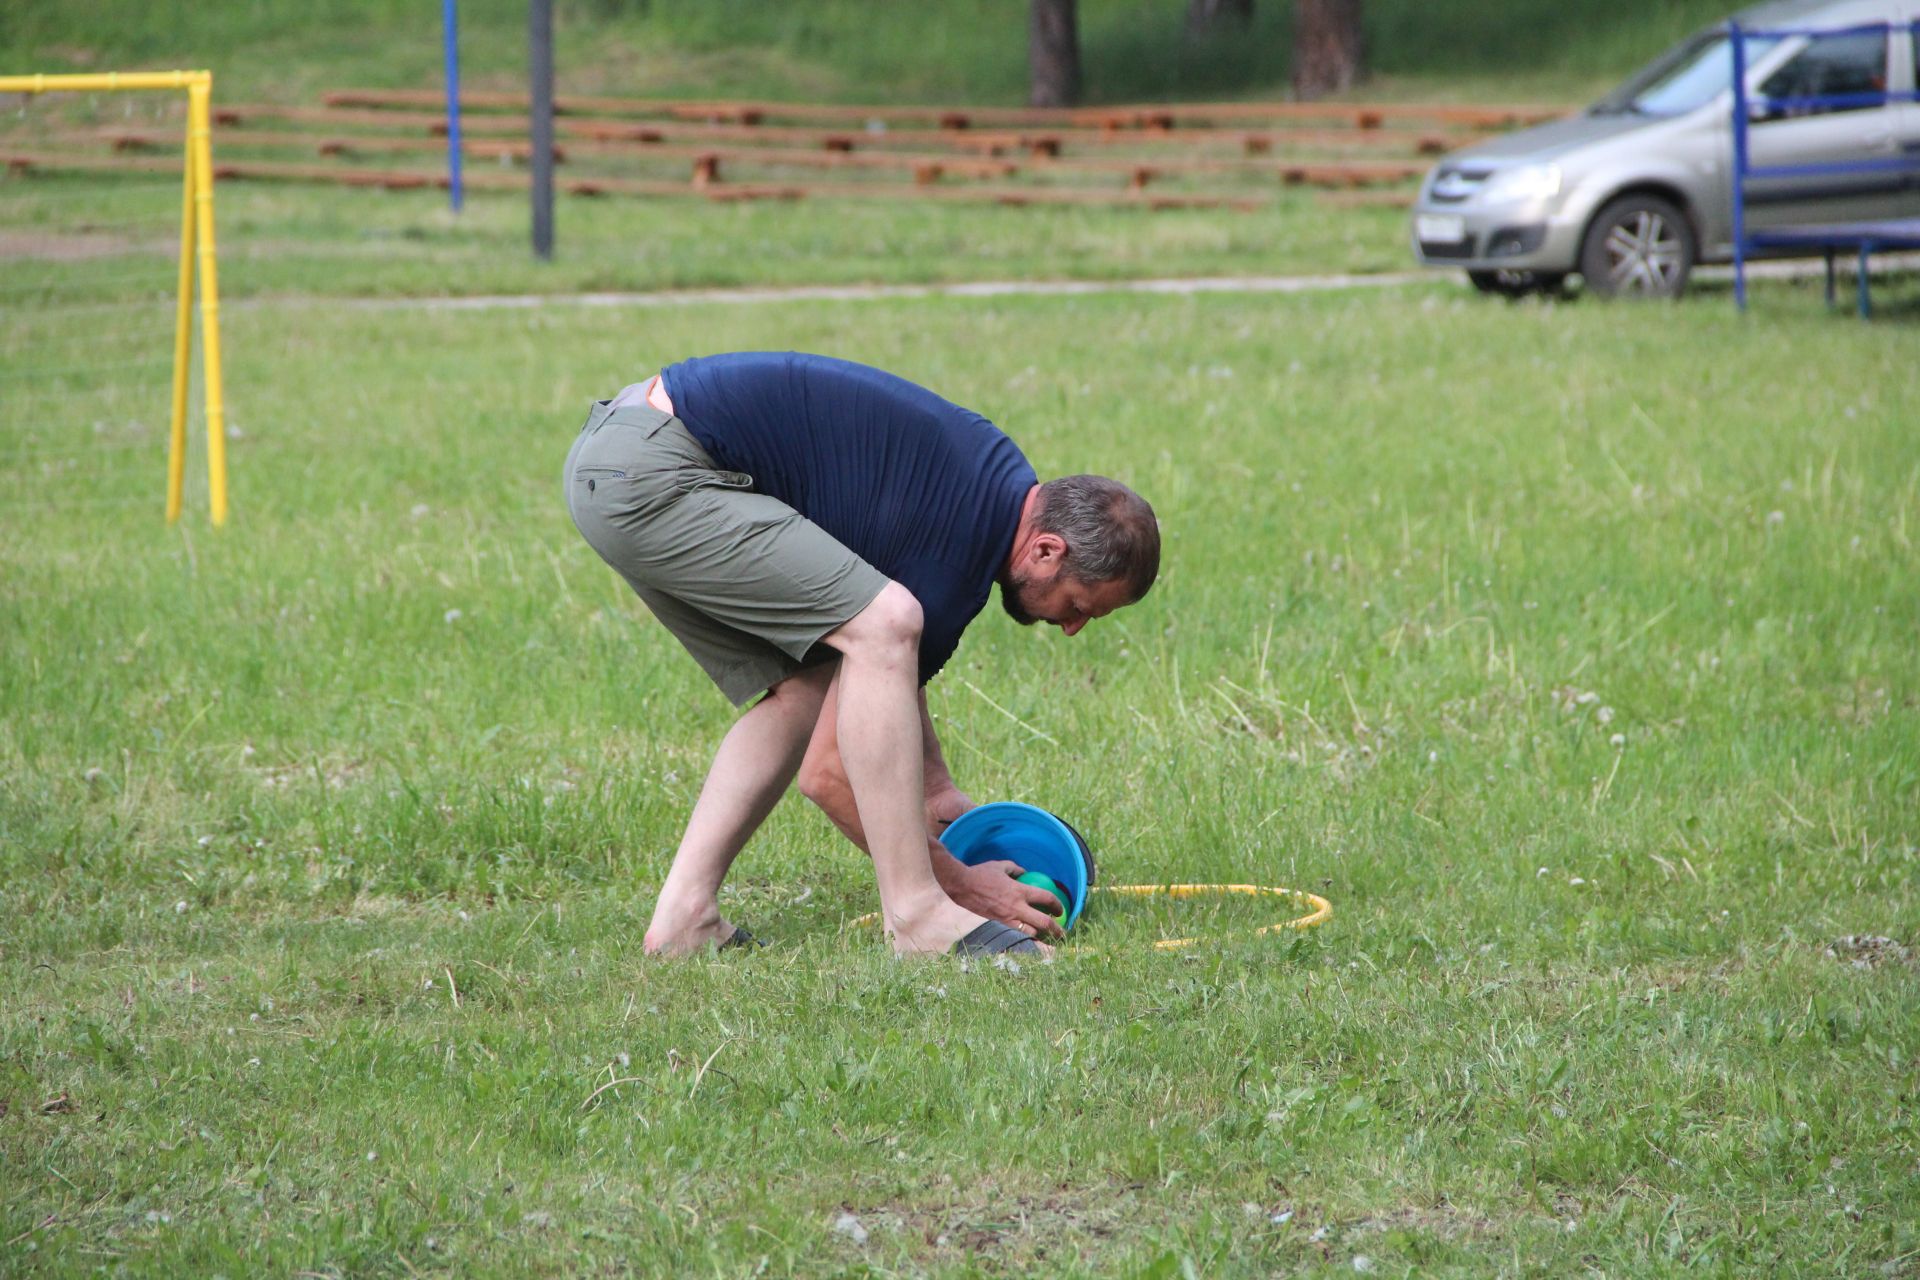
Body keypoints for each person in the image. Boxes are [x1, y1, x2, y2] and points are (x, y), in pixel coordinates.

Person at [563, 352, 1158, 958]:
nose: (1073, 628)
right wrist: (958, 885)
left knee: (811, 683)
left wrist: (936, 791)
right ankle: (917, 915)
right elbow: (830, 774)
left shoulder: (995, 490)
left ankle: (685, 919)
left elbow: (884, 669)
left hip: (624, 450)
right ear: (1048, 550)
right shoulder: (956, 558)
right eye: (1081, 604)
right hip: (653, 472)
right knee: (884, 624)